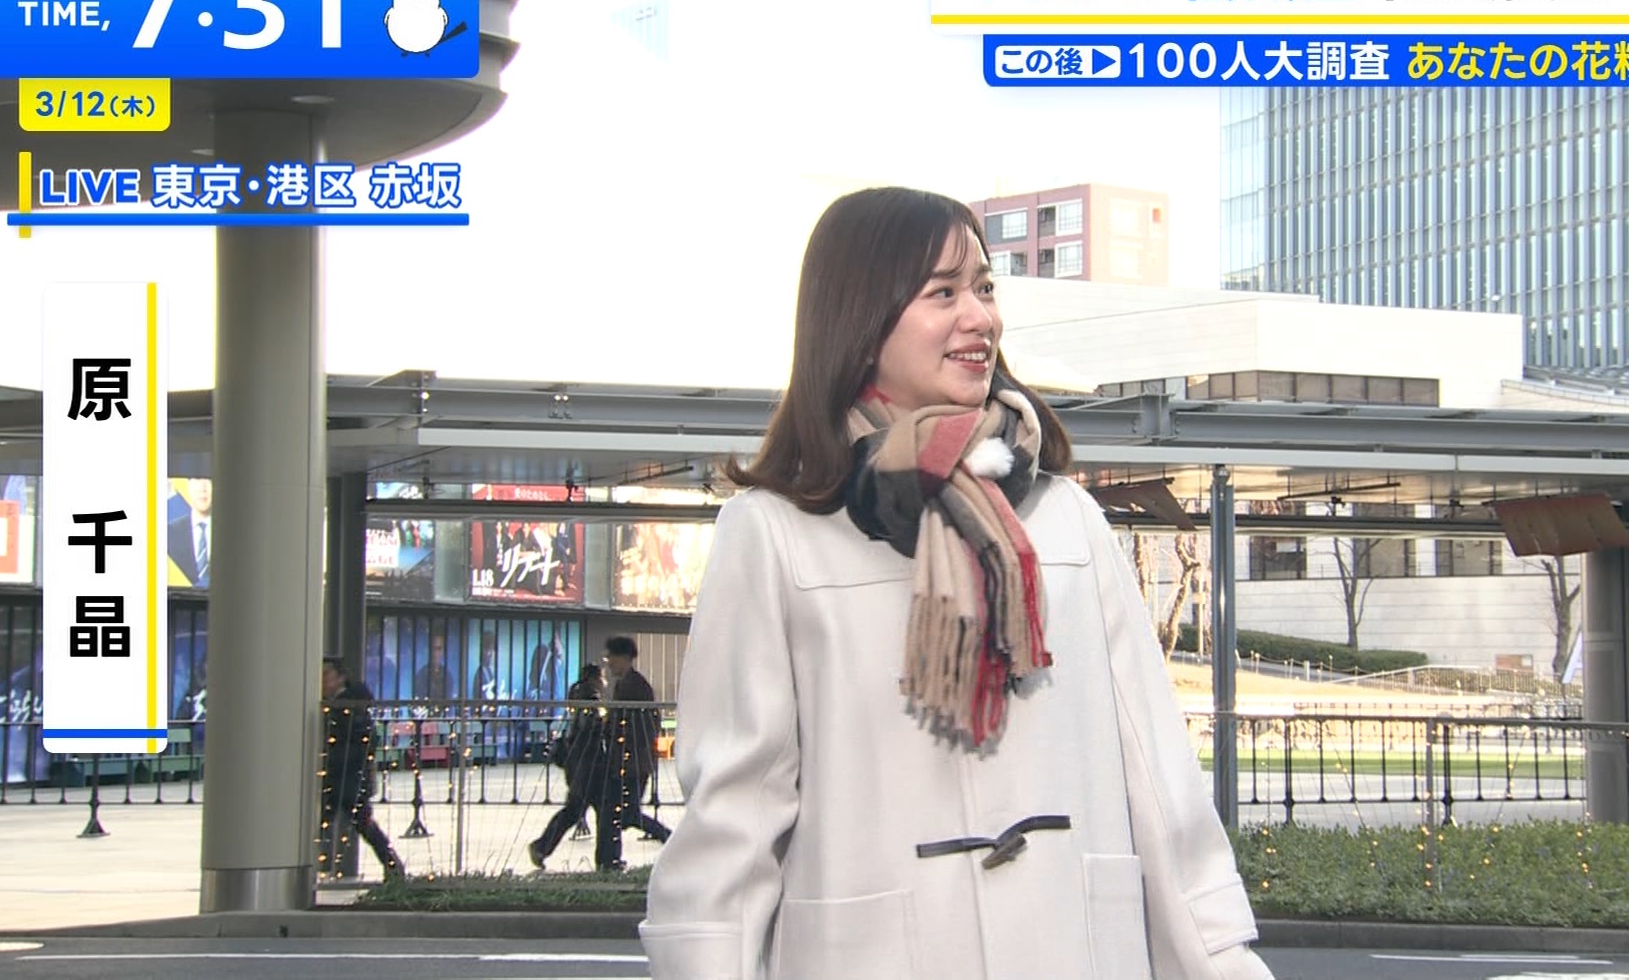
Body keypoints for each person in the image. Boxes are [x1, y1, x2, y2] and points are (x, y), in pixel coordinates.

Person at [639, 187, 1274, 980]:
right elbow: (736, 814)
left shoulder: (1067, 518)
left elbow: (1159, 780)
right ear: (859, 319)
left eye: (984, 287)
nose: (980, 317)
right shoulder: (773, 533)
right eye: (943, 293)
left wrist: (1224, 961)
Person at [528, 664, 621, 872]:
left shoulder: (578, 696)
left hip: (580, 765)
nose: (604, 682)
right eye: (602, 677)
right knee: (597, 812)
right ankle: (606, 860)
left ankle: (542, 847)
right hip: (590, 767)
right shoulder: (590, 700)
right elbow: (591, 729)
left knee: (577, 811)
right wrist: (606, 724)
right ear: (595, 678)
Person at [319, 657, 404, 880]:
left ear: (340, 678)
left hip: (347, 777)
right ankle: (393, 866)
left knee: (358, 823)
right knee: (359, 824)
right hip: (345, 777)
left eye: (326, 675)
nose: (322, 681)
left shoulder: (348, 708)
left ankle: (393, 866)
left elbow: (361, 742)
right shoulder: (344, 706)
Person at [602, 636, 672, 845]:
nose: (609, 663)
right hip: (629, 760)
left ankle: (670, 838)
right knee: (622, 813)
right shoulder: (625, 683)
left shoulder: (635, 686)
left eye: (611, 658)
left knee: (627, 814)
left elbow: (641, 725)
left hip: (632, 762)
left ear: (624, 657)